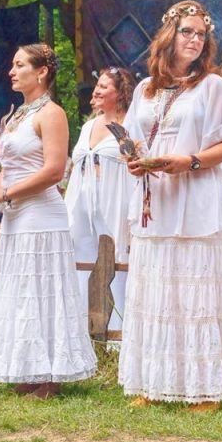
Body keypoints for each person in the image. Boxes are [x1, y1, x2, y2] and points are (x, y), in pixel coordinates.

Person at [120, 0, 222, 410]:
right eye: (186, 31)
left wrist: (188, 161)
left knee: (195, 292)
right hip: (155, 201)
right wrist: (136, 161)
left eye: (201, 34)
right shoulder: (144, 89)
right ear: (168, 35)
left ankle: (203, 389)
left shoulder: (212, 85)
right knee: (156, 290)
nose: (194, 39)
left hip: (194, 196)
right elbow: (135, 138)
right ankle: (153, 383)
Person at [0, 43, 98, 399]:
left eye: (19, 65)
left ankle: (50, 377)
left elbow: (54, 172)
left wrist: (7, 193)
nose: (12, 72)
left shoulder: (53, 114)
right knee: (19, 289)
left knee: (43, 289)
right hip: (14, 216)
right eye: (12, 65)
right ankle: (27, 368)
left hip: (42, 213)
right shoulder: (14, 117)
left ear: (41, 71)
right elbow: (6, 168)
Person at [65, 67, 137, 335]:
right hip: (82, 201)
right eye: (98, 84)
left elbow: (135, 165)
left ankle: (119, 332)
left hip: (115, 198)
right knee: (82, 258)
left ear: (119, 94)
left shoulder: (131, 124)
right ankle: (84, 329)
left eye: (104, 86)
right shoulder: (88, 126)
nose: (96, 90)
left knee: (116, 258)